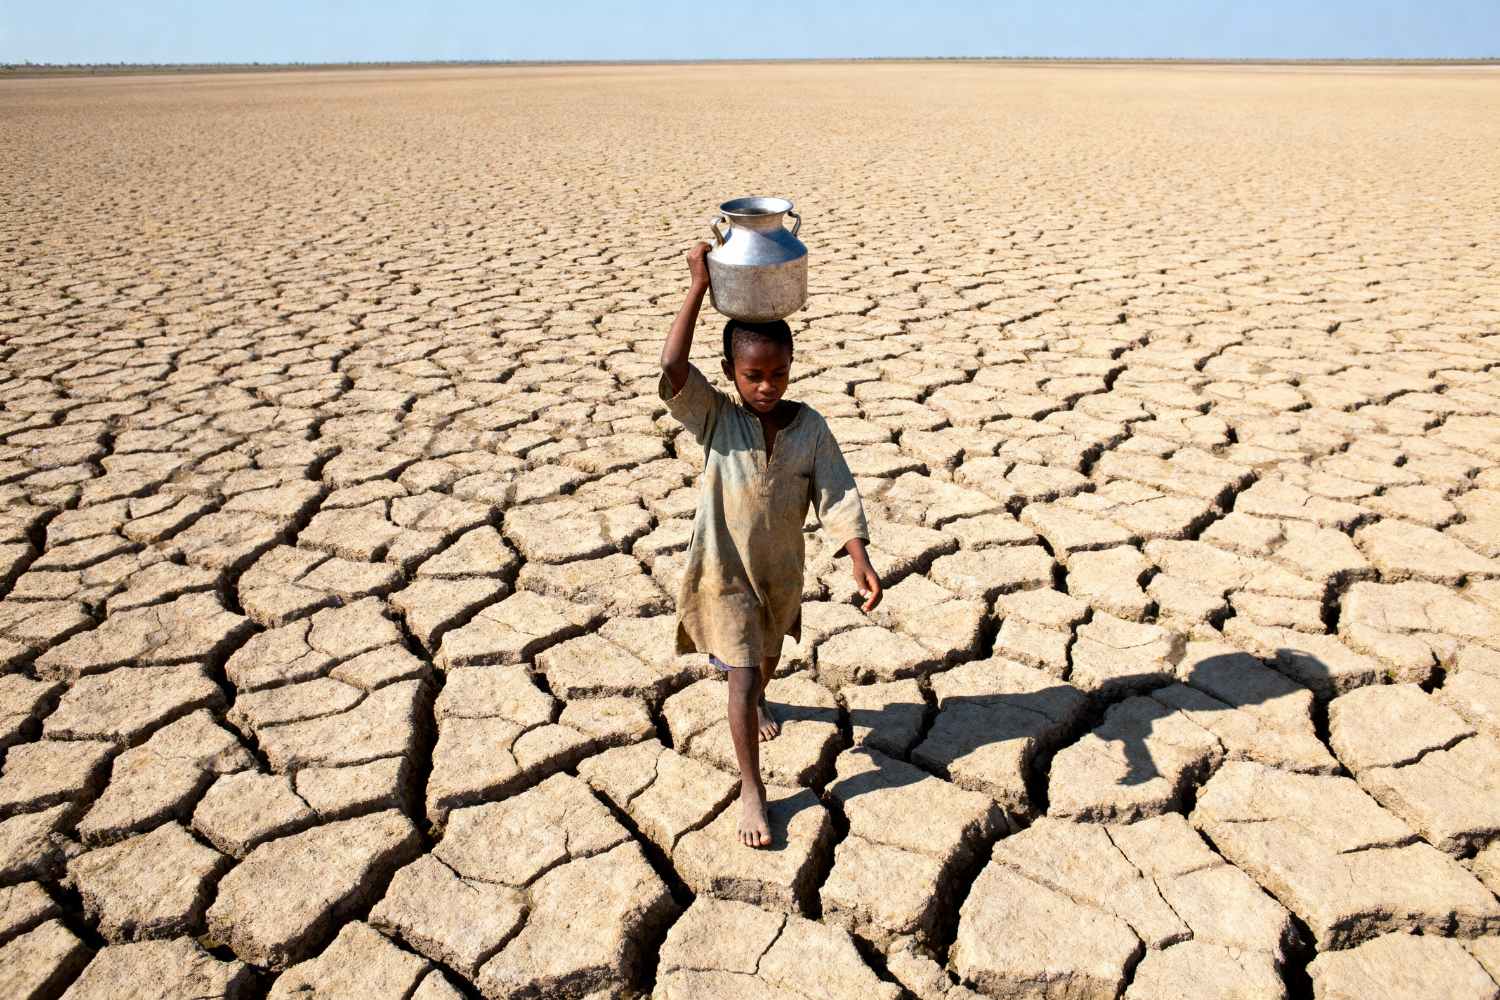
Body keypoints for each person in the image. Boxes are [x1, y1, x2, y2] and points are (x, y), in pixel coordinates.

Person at [658, 241, 882, 848]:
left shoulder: (809, 427)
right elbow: (674, 366)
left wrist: (858, 555)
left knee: (765, 665)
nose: (766, 386)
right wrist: (699, 286)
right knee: (740, 675)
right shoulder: (717, 420)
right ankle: (752, 788)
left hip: (780, 574)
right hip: (725, 574)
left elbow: (836, 491)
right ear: (731, 373)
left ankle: (759, 701)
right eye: (753, 375)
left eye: (778, 374)